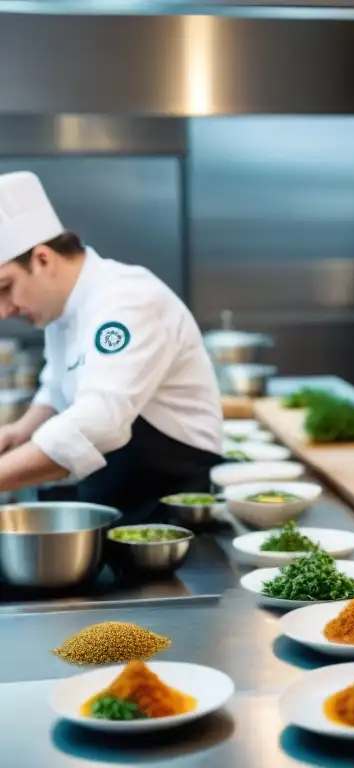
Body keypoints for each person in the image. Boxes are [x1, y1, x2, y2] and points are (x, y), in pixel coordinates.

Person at [0, 171, 223, 523]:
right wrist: (21, 430)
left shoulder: (127, 301)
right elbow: (58, 380)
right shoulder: (62, 309)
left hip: (169, 506)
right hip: (118, 492)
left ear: (43, 259)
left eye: (5, 287)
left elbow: (98, 421)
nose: (3, 311)